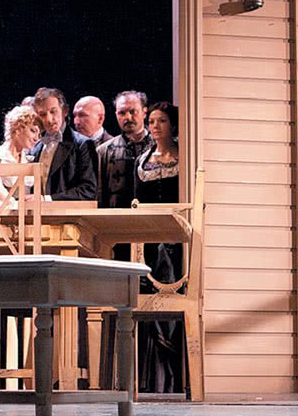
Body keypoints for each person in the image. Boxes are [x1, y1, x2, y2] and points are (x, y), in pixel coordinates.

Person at [136, 101, 189, 393]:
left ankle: (176, 378)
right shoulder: (143, 160)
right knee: (149, 301)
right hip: (149, 240)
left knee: (173, 297)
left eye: (162, 121)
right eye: (152, 121)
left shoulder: (183, 157)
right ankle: (154, 382)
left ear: (173, 124)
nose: (156, 126)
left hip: (175, 241)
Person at [25, 87, 98, 201]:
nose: (49, 119)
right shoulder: (35, 147)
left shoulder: (82, 144)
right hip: (38, 212)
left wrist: (47, 199)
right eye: (43, 114)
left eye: (53, 111)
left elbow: (88, 190)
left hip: (68, 212)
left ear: (65, 111)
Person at [0, 105, 44, 209]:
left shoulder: (28, 161)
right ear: (17, 129)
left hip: (25, 217)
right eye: (33, 131)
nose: (37, 138)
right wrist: (20, 205)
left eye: (39, 134)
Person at [97, 91, 152, 211]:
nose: (127, 117)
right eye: (122, 113)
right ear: (116, 114)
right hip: (116, 218)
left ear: (144, 112)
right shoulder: (104, 151)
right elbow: (100, 195)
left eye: (133, 112)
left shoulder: (158, 147)